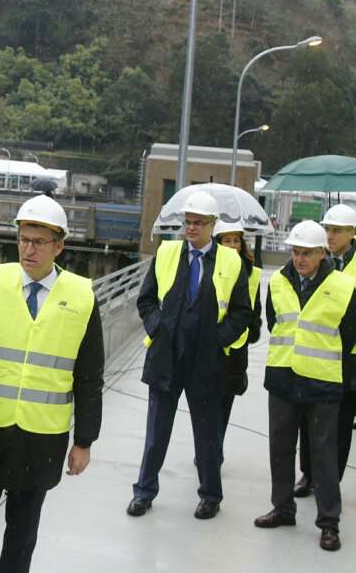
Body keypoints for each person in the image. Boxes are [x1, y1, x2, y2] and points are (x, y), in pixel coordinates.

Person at [0, 195, 104, 573]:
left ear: (59, 246)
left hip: (42, 438)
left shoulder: (82, 298)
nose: (28, 249)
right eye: (23, 239)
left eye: (38, 242)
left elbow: (89, 376)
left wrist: (84, 441)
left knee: (22, 536)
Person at [128, 191, 251, 520]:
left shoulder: (230, 261)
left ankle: (210, 496)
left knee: (208, 434)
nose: (192, 228)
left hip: (207, 361)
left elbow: (242, 313)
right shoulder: (167, 253)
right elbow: (146, 300)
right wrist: (157, 328)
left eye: (199, 223)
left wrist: (217, 341)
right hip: (167, 357)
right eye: (188, 222)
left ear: (213, 225)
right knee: (156, 432)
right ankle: (144, 492)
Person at [253, 220, 356, 552]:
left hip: (322, 381)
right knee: (280, 450)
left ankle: (329, 523)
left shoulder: (343, 286)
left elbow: (350, 333)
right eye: (295, 252)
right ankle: (283, 509)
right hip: (284, 378)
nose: (299, 259)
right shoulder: (279, 282)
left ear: (322, 253)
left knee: (323, 455)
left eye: (307, 254)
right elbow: (275, 323)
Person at [294, 204, 356, 496]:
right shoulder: (317, 258)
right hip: (315, 358)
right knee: (308, 422)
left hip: (352, 359)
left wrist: (343, 338)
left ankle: (331, 480)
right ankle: (307, 475)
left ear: (352, 232)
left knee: (342, 425)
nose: (330, 235)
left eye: (336, 230)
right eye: (327, 229)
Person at [213, 220, 262, 456]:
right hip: (211, 345)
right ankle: (208, 445)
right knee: (207, 400)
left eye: (236, 240)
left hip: (237, 347)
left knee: (225, 400)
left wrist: (253, 329)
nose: (232, 245)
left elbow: (257, 309)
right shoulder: (209, 267)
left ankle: (216, 446)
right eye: (227, 240)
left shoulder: (252, 273)